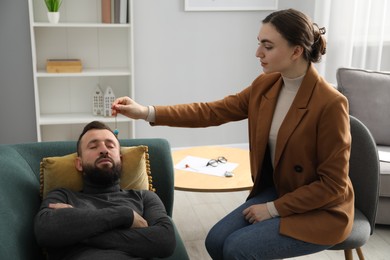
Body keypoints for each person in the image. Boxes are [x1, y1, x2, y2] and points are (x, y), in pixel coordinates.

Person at [111, 8, 354, 259]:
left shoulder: (330, 104)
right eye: (259, 44)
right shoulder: (265, 85)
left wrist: (273, 208)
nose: (258, 53)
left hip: (321, 210)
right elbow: (211, 112)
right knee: (215, 241)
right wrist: (146, 112)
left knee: (237, 248)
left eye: (268, 46)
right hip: (282, 189)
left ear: (296, 51)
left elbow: (332, 186)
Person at [34, 121, 176, 260]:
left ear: (120, 159)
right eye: (93, 146)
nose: (104, 150)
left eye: (110, 145)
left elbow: (165, 241)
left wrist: (76, 232)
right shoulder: (62, 196)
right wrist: (124, 215)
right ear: (79, 163)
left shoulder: (144, 197)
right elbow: (45, 232)